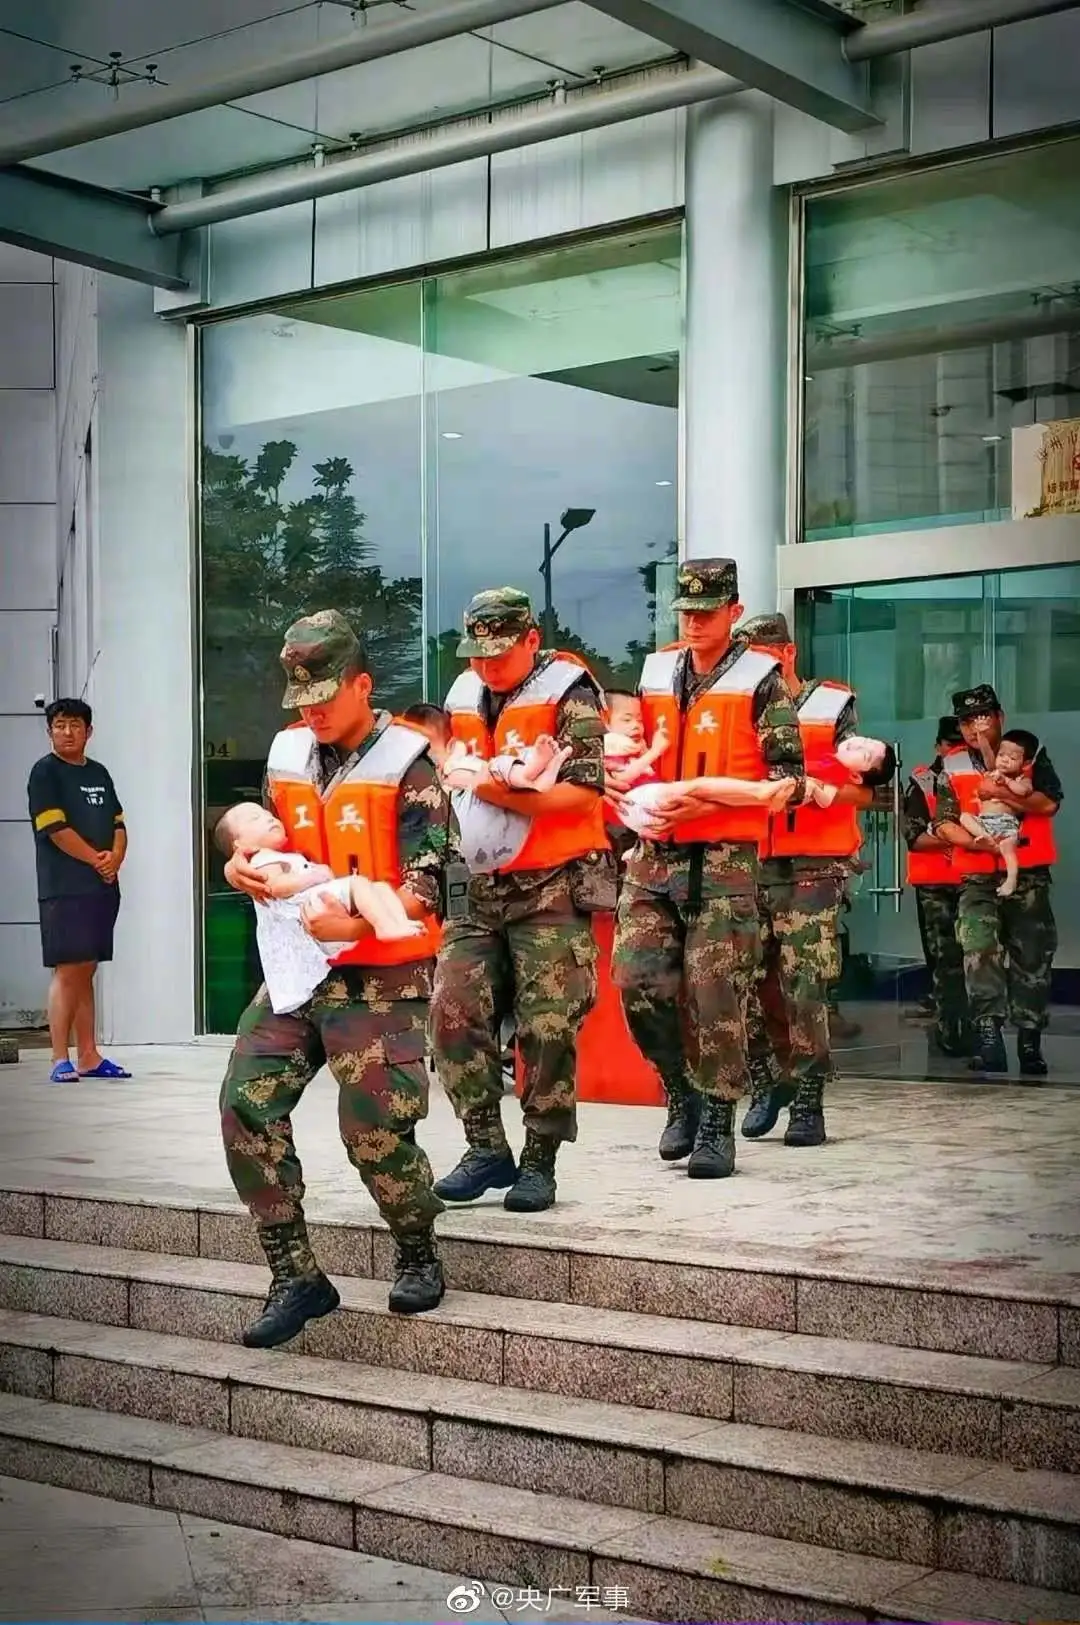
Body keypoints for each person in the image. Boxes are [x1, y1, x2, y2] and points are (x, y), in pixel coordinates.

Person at [219, 610, 452, 1347]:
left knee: (373, 1129)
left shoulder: (410, 761)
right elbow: (267, 841)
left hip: (380, 970)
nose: (312, 709)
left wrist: (354, 926)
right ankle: (296, 1274)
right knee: (243, 1104)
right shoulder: (289, 752)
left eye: (325, 693)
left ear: (363, 683)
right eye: (301, 696)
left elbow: (434, 881)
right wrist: (237, 868)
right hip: (298, 972)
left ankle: (416, 1246)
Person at [607, 562, 805, 1179]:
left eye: (708, 611)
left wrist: (704, 800)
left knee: (717, 994)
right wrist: (625, 780)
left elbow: (789, 783)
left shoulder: (762, 680)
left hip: (722, 860)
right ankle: (680, 1089)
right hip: (654, 856)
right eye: (686, 612)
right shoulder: (656, 672)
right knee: (638, 985)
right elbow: (642, 747)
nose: (694, 622)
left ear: (734, 611)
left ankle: (718, 1118)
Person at [430, 587, 610, 1213]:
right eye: (476, 655)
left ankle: (540, 1160)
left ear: (531, 639)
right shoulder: (461, 695)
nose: (486, 667)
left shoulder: (570, 692)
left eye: (499, 654)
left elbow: (585, 792)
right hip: (478, 886)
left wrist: (497, 790)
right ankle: (486, 1146)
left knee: (548, 1025)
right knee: (451, 1010)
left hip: (552, 884)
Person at [734, 614, 892, 1149]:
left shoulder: (831, 707)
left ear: (788, 654)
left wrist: (817, 790)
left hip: (815, 865)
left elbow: (872, 791)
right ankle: (766, 1078)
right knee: (744, 981)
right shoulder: (738, 706)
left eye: (764, 658)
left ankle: (807, 1097)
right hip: (749, 859)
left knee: (804, 983)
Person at [933, 684, 1061, 1077]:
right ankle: (988, 1036)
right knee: (978, 949)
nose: (976, 727)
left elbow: (1049, 802)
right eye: (968, 721)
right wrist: (984, 845)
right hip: (977, 874)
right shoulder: (950, 765)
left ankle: (1029, 1040)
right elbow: (942, 823)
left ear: (1000, 717)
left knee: (1032, 956)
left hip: (1028, 873)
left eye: (984, 717)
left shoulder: (1028, 754)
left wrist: (1002, 791)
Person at [212, 801, 422, 1016]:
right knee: (360, 884)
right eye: (255, 818)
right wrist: (313, 876)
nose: (268, 818)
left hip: (319, 907)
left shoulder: (281, 855)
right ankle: (385, 925)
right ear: (238, 844)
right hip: (308, 907)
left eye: (268, 815)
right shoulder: (264, 859)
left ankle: (398, 923)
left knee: (378, 888)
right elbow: (275, 887)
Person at [27, 698, 131, 1084]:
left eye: (75, 725)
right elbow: (54, 829)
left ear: (89, 731)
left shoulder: (100, 772)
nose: (67, 732)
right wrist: (96, 860)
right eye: (59, 725)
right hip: (64, 888)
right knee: (69, 969)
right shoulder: (45, 773)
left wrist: (115, 858)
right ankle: (58, 1057)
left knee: (86, 969)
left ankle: (89, 1055)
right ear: (50, 730)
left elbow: (118, 821)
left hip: (102, 886)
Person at [903, 716, 970, 1056]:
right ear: (938, 746)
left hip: (974, 881)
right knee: (945, 962)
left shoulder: (977, 777)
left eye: (962, 743)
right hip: (936, 887)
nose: (956, 749)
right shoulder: (923, 781)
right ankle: (951, 1033)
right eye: (950, 743)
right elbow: (914, 837)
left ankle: (976, 1033)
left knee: (976, 960)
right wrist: (963, 841)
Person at [957, 730, 1040, 900]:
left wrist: (1007, 782)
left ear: (1025, 764)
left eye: (1012, 758)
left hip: (1007, 824)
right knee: (964, 817)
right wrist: (981, 737)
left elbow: (1024, 792)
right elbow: (987, 754)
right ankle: (985, 836)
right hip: (985, 822)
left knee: (1008, 848)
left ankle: (1011, 879)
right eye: (1001, 755)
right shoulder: (993, 771)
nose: (1004, 760)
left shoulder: (1022, 779)